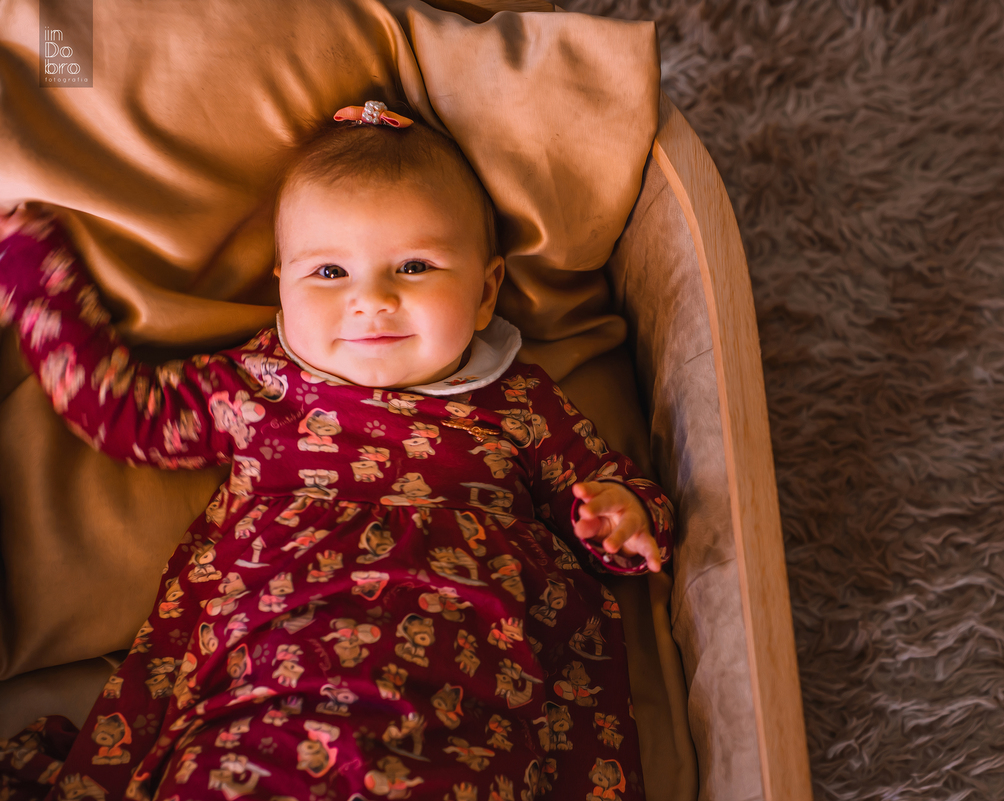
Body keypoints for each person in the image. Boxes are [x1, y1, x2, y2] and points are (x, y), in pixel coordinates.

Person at [0, 100, 673, 801]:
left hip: (460, 696)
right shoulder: (259, 385)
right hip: (273, 680)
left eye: (414, 266)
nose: (371, 299)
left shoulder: (519, 401)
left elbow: (604, 483)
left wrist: (618, 515)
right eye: (328, 273)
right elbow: (125, 411)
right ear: (282, 288)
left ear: (486, 291)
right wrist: (32, 273)